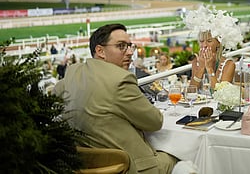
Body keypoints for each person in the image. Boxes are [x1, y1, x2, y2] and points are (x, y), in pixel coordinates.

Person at [54, 23, 179, 173]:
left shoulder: (72, 73)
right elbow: (155, 122)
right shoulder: (121, 79)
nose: (129, 52)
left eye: (129, 46)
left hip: (85, 164)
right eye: (121, 46)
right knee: (187, 153)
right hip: (130, 167)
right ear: (100, 51)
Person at [185, 5, 243, 90]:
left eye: (209, 41)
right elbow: (191, 92)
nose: (204, 45)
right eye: (201, 41)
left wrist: (210, 69)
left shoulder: (229, 64)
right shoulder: (196, 62)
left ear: (219, 44)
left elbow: (220, 94)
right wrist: (201, 69)